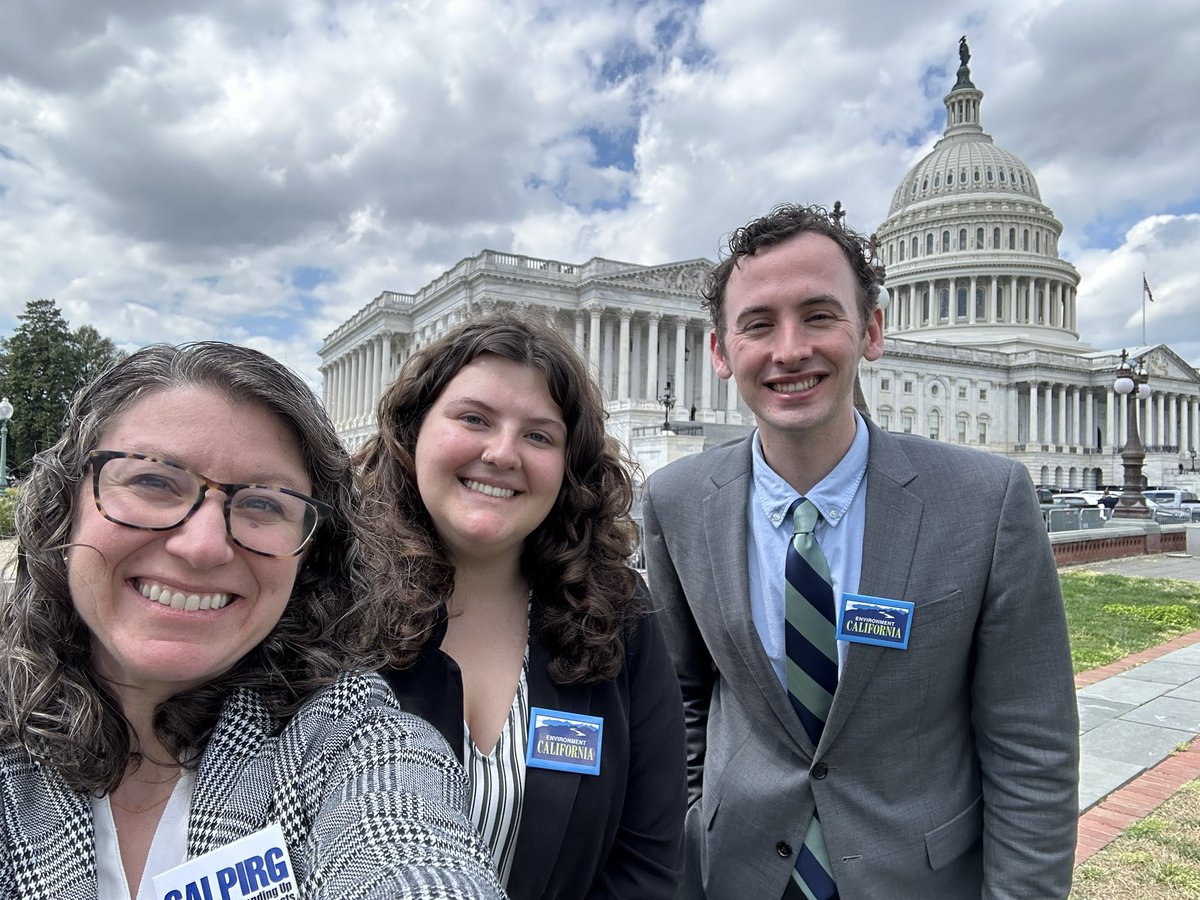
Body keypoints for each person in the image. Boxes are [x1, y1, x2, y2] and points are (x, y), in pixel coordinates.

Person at [642, 204, 1079, 899]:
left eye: (820, 316)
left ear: (871, 330)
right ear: (721, 351)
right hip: (738, 871)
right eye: (758, 324)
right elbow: (685, 698)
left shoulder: (986, 500)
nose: (790, 350)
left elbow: (1032, 746)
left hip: (919, 876)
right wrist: (696, 818)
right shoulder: (675, 501)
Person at [0, 342, 504, 900]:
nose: (203, 547)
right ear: (65, 503)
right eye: (152, 481)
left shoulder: (349, 739)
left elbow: (408, 850)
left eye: (264, 504)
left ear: (312, 555)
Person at [355, 312, 686, 898]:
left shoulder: (621, 618)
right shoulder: (332, 608)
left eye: (539, 435)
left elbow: (645, 862)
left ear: (568, 465)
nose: (503, 453)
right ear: (413, 432)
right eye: (474, 419)